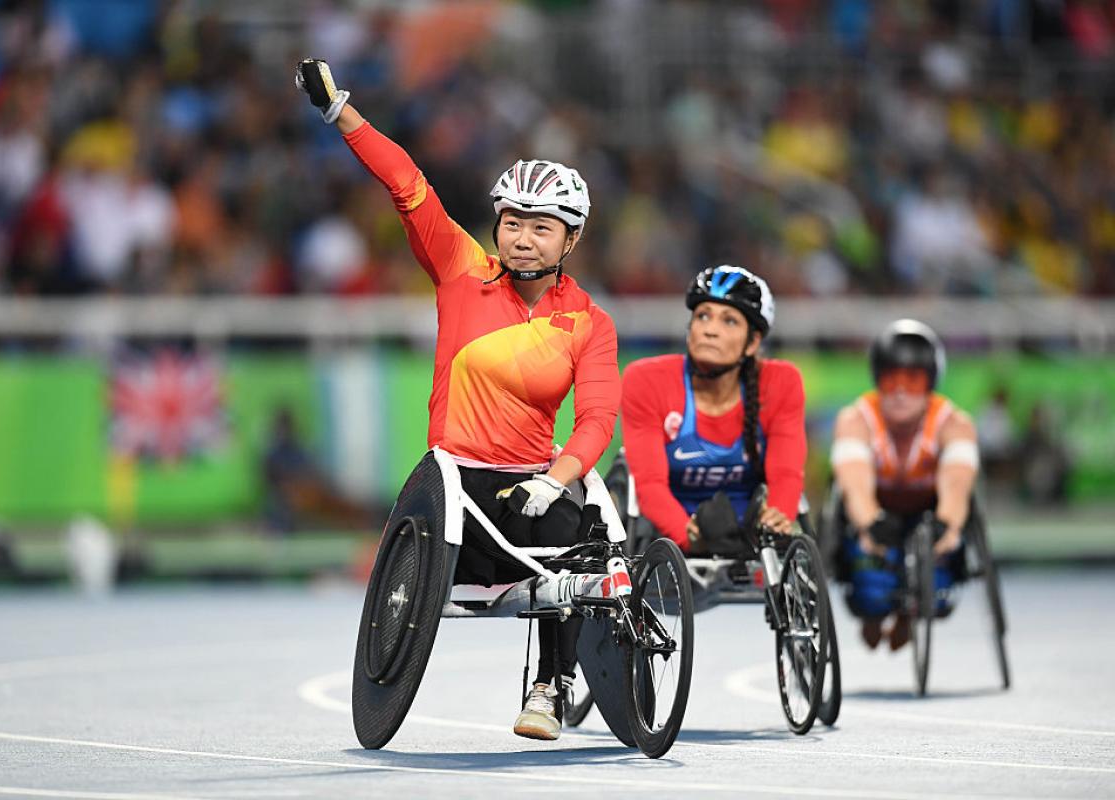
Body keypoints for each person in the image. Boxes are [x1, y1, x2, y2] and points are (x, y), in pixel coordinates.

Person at [295, 60, 619, 741]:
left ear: (572, 238)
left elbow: (595, 421)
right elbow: (407, 184)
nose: (522, 237)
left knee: (575, 529)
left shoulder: (589, 323)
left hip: (534, 487)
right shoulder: (461, 269)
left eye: (541, 227)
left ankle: (550, 687)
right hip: (455, 485)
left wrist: (555, 483)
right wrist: (340, 113)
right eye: (513, 222)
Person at [621, 266, 807, 555]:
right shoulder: (646, 380)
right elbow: (649, 486)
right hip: (671, 526)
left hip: (749, 522)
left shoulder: (780, 382)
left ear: (753, 342)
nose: (710, 330)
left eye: (729, 321)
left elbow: (786, 473)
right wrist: (693, 538)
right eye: (703, 316)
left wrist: (778, 517)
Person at [829, 319, 979, 650]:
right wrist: (869, 521)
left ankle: (909, 616)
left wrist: (949, 524)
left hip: (928, 511)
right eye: (890, 380)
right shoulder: (856, 419)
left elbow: (956, 484)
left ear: (929, 383)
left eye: (911, 382)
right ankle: (873, 615)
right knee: (871, 590)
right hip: (876, 510)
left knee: (937, 587)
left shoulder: (953, 423)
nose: (899, 392)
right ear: (878, 380)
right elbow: (853, 482)